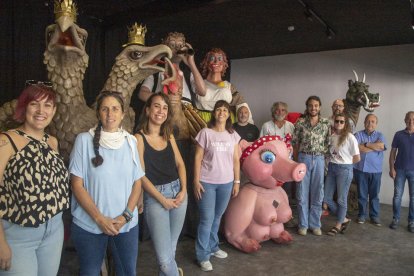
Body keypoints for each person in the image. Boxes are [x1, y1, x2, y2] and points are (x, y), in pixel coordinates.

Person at [69, 91, 144, 275]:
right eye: (105, 109)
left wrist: (126, 216)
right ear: (98, 113)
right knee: (90, 272)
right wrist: (99, 219)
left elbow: (137, 183)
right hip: (89, 224)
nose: (110, 114)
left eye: (115, 109)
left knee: (127, 272)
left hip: (125, 225)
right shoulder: (84, 141)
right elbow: (76, 185)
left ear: (123, 114)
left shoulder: (131, 142)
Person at [0, 81, 69, 275]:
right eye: (34, 104)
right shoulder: (6, 141)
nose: (41, 111)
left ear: (54, 110)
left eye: (47, 105)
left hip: (54, 231)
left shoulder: (52, 142)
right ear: (24, 106)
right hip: (19, 235)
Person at [135, 93, 187, 276]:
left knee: (171, 249)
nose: (161, 111)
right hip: (156, 197)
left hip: (178, 192)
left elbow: (180, 164)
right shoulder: (138, 138)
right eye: (157, 106)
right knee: (165, 261)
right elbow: (140, 175)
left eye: (165, 108)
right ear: (148, 110)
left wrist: (184, 190)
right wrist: (162, 200)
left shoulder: (168, 135)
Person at [193, 100, 240, 272]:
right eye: (219, 109)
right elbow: (197, 158)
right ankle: (202, 255)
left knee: (217, 218)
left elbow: (235, 160)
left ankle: (213, 247)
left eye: (225, 110)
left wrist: (237, 181)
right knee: (206, 219)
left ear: (229, 114)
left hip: (226, 183)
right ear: (214, 113)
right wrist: (195, 180)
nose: (222, 112)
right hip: (207, 182)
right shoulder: (205, 133)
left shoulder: (232, 134)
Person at [292, 96, 330, 236]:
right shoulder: (300, 122)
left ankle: (315, 225)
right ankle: (303, 224)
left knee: (317, 192)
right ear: (307, 107)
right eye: (310, 105)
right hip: (304, 157)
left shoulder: (326, 123)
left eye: (316, 105)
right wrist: (297, 161)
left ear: (319, 107)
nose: (313, 108)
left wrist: (324, 160)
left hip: (319, 159)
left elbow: (328, 143)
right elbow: (294, 143)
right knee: (302, 192)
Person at [138, 32, 204, 106]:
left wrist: (191, 63)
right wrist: (164, 99)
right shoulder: (156, 74)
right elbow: (142, 93)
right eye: (172, 45)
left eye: (180, 46)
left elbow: (202, 92)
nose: (177, 48)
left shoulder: (188, 75)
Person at [324, 113, 360, 236]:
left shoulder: (350, 137)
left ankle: (338, 224)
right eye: (337, 121)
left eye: (341, 122)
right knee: (327, 198)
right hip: (332, 168)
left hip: (344, 169)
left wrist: (347, 166)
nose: (339, 123)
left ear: (345, 124)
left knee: (341, 199)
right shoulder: (332, 137)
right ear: (334, 122)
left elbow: (357, 158)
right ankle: (344, 218)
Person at [192, 48, 248, 123]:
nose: (216, 61)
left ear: (224, 63)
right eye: (212, 58)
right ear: (207, 62)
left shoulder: (228, 86)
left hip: (225, 121)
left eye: (220, 58)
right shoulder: (199, 83)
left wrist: (248, 125)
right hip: (202, 121)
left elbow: (241, 104)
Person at [353, 114, 386, 226]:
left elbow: (381, 146)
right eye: (368, 121)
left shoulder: (380, 135)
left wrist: (366, 144)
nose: (370, 123)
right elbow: (356, 148)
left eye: (372, 121)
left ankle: (374, 216)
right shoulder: (358, 134)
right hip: (360, 170)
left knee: (374, 195)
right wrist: (373, 146)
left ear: (376, 124)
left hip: (376, 171)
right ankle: (361, 215)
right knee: (362, 195)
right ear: (364, 122)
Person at [389, 111, 414, 233]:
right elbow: (393, 152)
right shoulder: (398, 134)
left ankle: (411, 221)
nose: (411, 121)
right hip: (399, 170)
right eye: (408, 119)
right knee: (397, 196)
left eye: (413, 119)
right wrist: (391, 168)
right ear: (405, 120)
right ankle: (396, 219)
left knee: (413, 198)